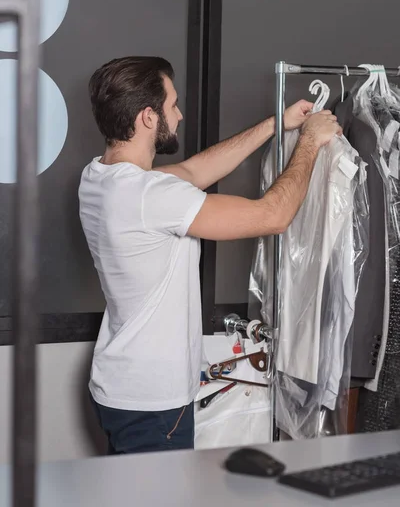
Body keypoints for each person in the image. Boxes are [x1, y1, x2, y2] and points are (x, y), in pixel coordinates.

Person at [79, 56, 341, 455]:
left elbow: (192, 173)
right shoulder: (151, 196)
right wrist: (309, 142)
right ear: (148, 117)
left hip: (119, 388)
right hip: (155, 405)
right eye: (172, 105)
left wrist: (276, 123)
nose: (180, 115)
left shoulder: (99, 177)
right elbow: (273, 216)